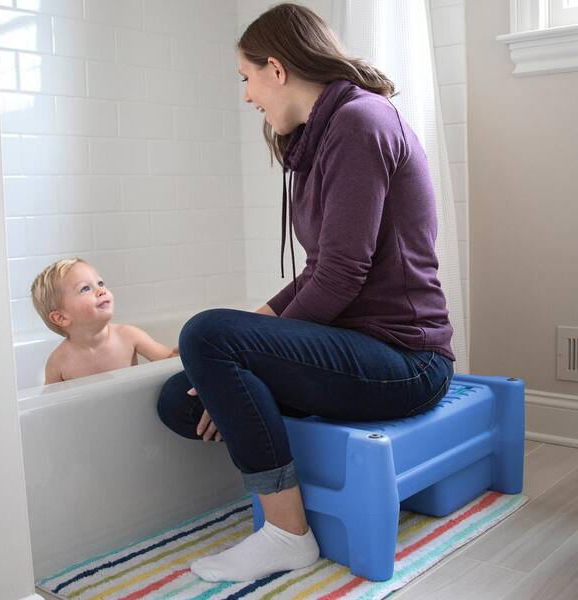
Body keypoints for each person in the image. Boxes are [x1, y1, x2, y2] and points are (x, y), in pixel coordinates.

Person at [157, 2, 456, 583]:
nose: (248, 97)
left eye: (246, 79)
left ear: (276, 68)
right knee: (180, 400)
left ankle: (287, 533)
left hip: (406, 361)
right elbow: (324, 268)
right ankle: (275, 479)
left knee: (206, 333)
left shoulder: (360, 121)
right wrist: (251, 334)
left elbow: (340, 274)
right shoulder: (321, 138)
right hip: (351, 350)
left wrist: (235, 348)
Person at [31, 257, 176, 384]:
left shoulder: (129, 335)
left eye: (100, 283)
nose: (101, 291)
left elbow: (169, 359)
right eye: (85, 288)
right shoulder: (58, 362)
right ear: (61, 317)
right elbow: (49, 405)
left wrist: (182, 353)